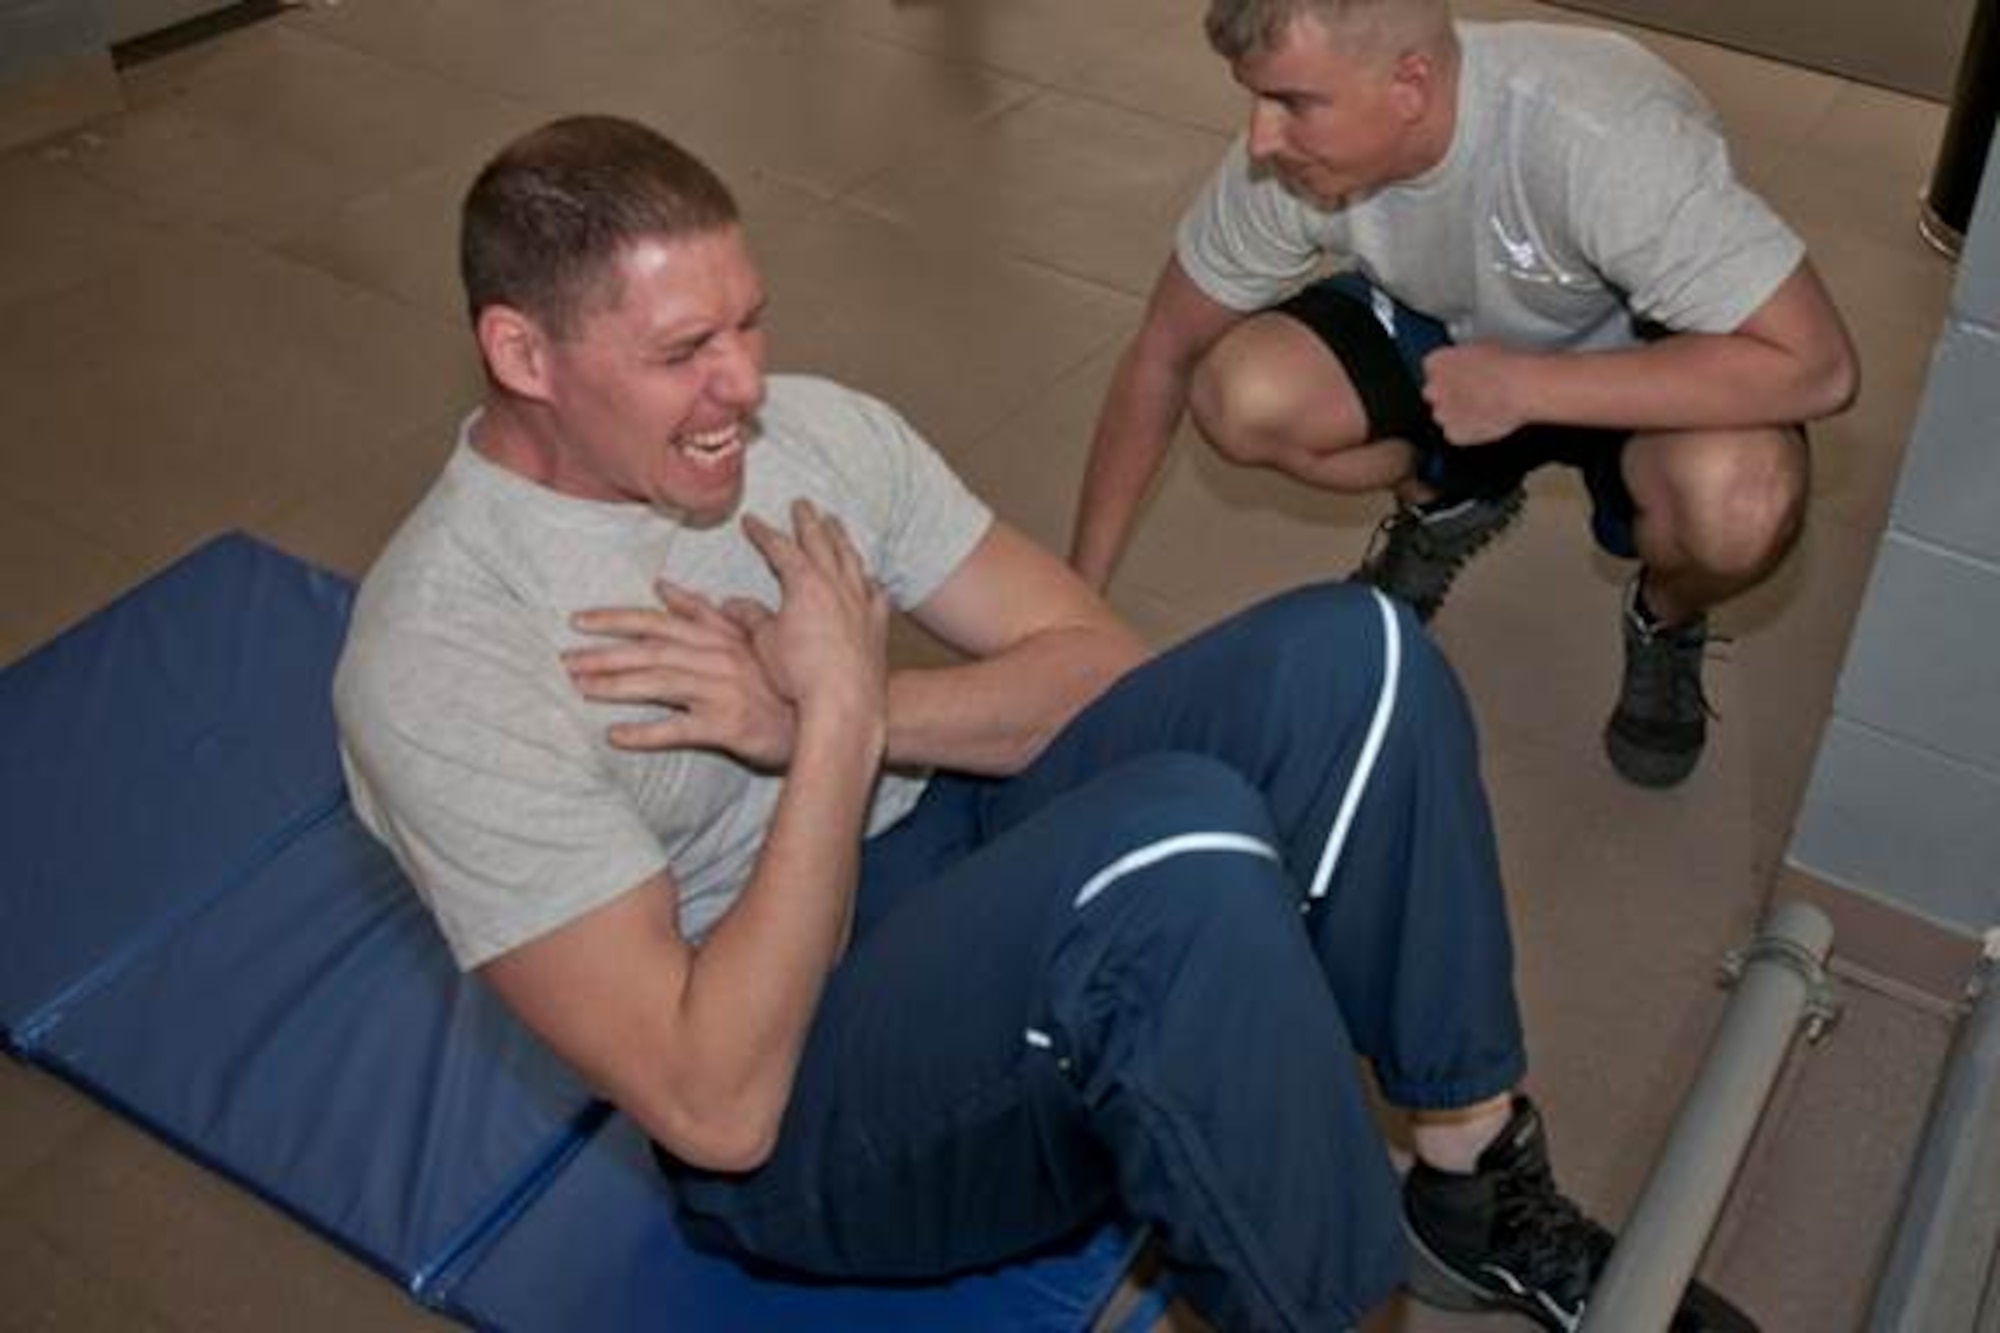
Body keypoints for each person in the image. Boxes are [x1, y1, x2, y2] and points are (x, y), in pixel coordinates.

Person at [333, 114, 1755, 1332]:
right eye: (684, 350)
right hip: (800, 1077)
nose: (743, 385)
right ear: (522, 352)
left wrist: (851, 705)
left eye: (750, 320)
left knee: (1354, 655)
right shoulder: (447, 654)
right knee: (1173, 855)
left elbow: (1095, 665)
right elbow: (718, 1105)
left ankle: (1471, 1176)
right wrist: (826, 731)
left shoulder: (807, 433)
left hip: (956, 859)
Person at [1070, 0, 1859, 789]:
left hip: (1641, 363)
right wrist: (1075, 612)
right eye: (1256, 96)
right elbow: (1164, 352)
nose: (1261, 136)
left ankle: (1666, 616)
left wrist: (1529, 386)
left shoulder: (1599, 136)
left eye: (1293, 103)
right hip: (1455, 345)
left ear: (1410, 82)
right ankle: (1446, 506)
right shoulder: (1289, 170)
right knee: (1241, 395)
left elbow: (1819, 365)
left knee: (1743, 503)